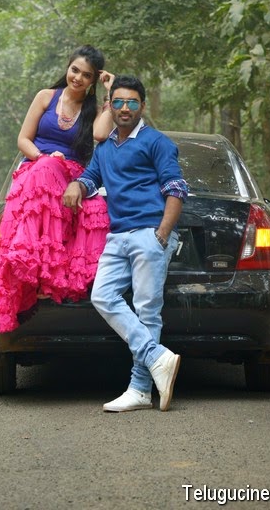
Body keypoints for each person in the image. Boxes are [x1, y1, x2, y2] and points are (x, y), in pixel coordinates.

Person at [63, 75, 188, 412]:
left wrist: (161, 234)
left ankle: (140, 389)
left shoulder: (156, 142)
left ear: (142, 106)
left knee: (147, 309)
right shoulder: (105, 149)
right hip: (117, 235)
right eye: (118, 102)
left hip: (149, 232)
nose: (125, 108)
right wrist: (77, 185)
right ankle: (156, 356)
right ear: (110, 106)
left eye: (132, 102)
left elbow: (176, 189)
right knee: (102, 296)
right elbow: (91, 178)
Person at [0, 45, 114, 334]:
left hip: (71, 176)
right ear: (67, 67)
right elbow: (23, 139)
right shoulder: (46, 96)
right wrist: (42, 157)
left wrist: (110, 93)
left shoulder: (93, 110)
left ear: (93, 80)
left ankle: (52, 276)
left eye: (86, 75)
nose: (78, 78)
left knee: (97, 208)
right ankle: (35, 272)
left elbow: (100, 134)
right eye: (75, 70)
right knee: (45, 169)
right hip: (36, 167)